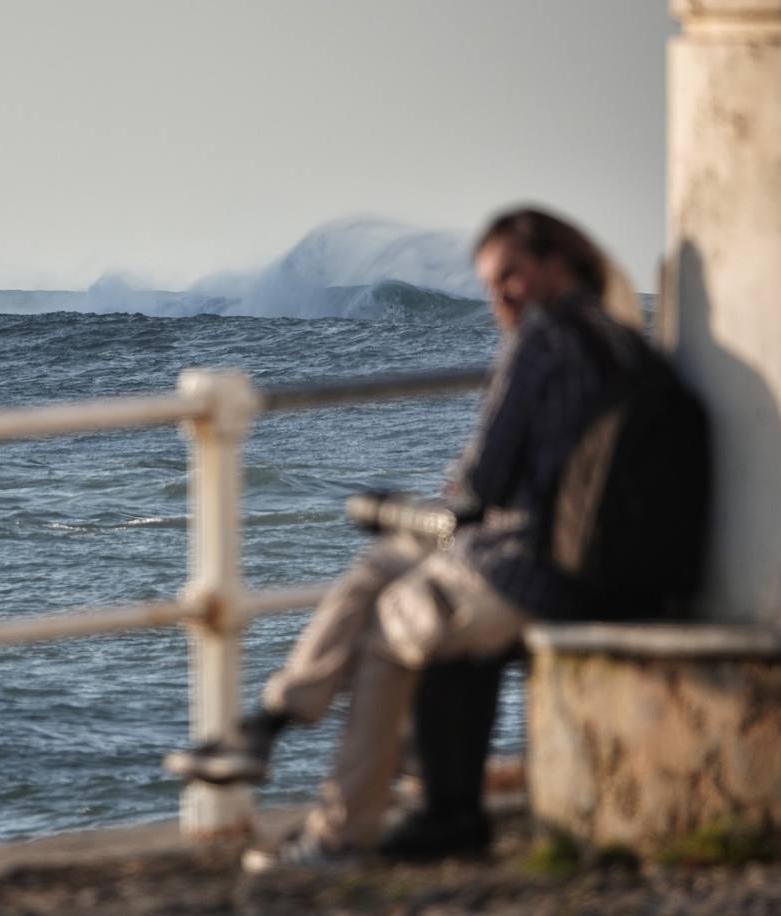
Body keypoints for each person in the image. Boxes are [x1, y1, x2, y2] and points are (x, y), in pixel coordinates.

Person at [165, 206, 645, 870]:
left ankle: (338, 831)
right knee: (386, 563)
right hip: (597, 558)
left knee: (386, 627)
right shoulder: (620, 335)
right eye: (490, 283)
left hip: (541, 570)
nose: (500, 296)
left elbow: (480, 488)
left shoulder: (541, 341)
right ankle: (266, 726)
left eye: (512, 276)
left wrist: (408, 507)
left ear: (558, 264)